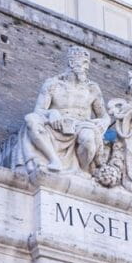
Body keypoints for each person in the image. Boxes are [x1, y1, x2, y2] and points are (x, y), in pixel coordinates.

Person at [19, 46, 109, 174]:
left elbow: (105, 116)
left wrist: (104, 122)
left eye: (87, 64)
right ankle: (54, 160)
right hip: (57, 125)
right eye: (83, 63)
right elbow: (38, 110)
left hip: (82, 126)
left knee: (88, 138)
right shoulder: (52, 84)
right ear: (72, 63)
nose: (86, 68)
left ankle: (83, 171)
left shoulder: (92, 89)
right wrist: (52, 113)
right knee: (31, 120)